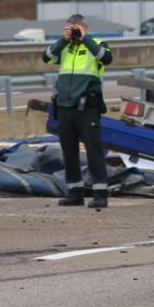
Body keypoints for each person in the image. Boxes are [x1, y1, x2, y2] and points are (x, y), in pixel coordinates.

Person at [43, 14, 114, 208]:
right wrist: (63, 40)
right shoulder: (64, 47)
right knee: (69, 151)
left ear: (85, 27)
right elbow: (46, 58)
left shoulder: (97, 43)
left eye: (76, 28)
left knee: (93, 150)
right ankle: (75, 192)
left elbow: (106, 58)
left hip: (87, 107)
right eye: (69, 28)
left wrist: (85, 38)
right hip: (65, 106)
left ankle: (100, 193)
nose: (73, 31)